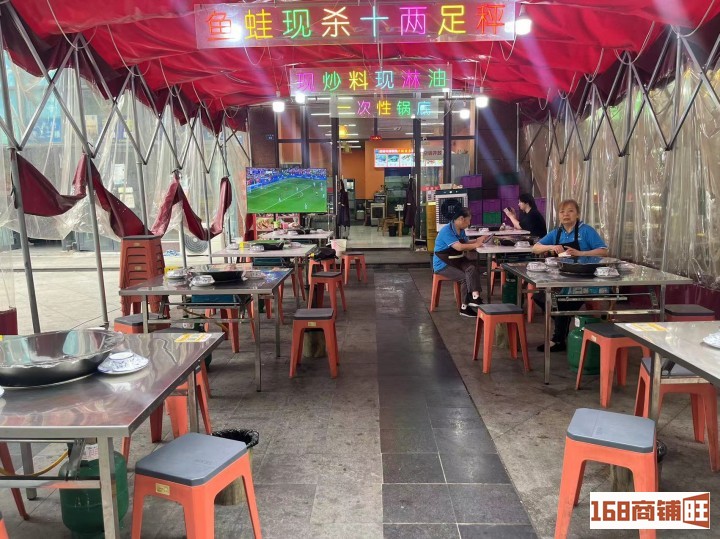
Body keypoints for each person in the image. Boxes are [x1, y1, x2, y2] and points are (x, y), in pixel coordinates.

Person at [531, 199, 608, 351]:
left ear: (577, 214)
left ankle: (558, 339)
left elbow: (603, 251)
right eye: (562, 212)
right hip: (561, 278)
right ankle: (562, 323)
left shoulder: (586, 231)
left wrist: (581, 253)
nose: (566, 214)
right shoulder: (557, 233)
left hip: (584, 280)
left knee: (561, 302)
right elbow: (535, 248)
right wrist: (551, 246)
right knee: (540, 297)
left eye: (570, 211)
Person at [433, 207, 490, 318]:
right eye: (469, 220)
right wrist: (476, 244)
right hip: (443, 265)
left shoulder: (461, 230)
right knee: (464, 277)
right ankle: (464, 307)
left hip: (456, 260)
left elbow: (465, 243)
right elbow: (459, 247)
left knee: (472, 269)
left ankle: (474, 297)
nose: (469, 223)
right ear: (461, 219)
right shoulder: (446, 231)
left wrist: (478, 239)